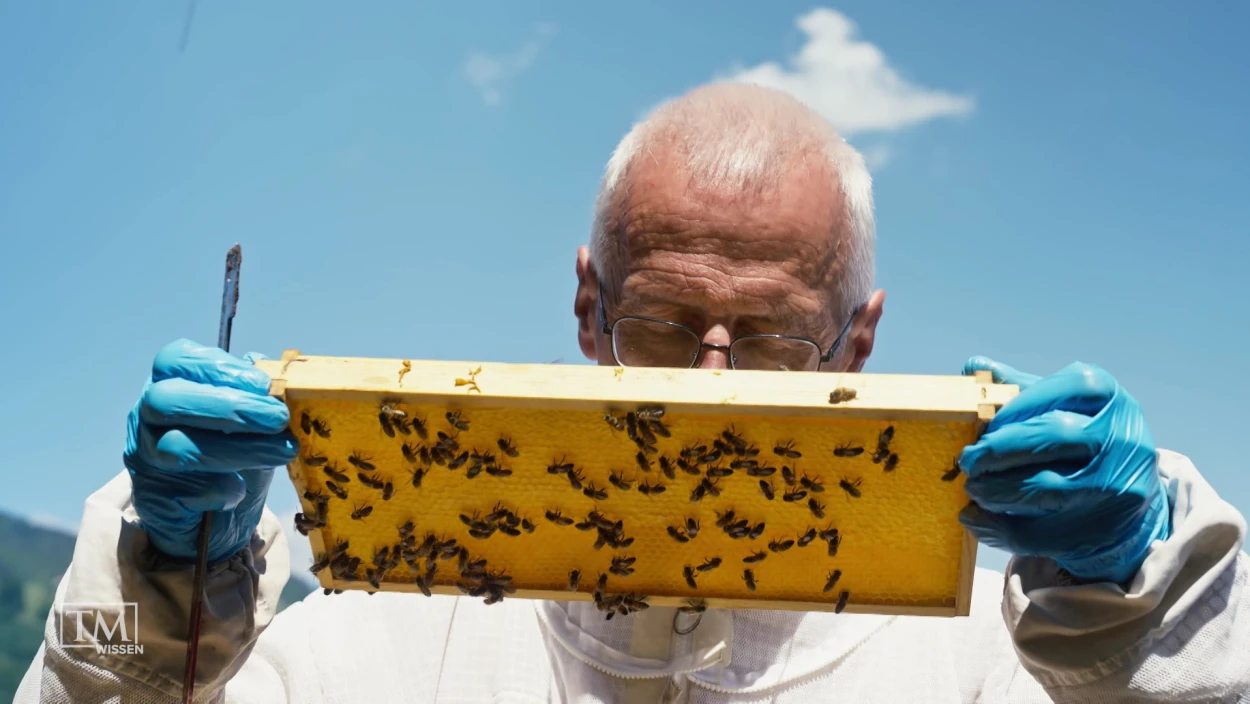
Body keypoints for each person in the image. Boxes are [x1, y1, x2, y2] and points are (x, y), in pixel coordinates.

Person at [17, 83, 1249, 703]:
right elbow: (94, 683)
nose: (709, 383)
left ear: (859, 340)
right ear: (587, 306)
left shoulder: (995, 665)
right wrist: (147, 583)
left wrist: (1149, 593)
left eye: (769, 335)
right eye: (663, 321)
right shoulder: (359, 649)